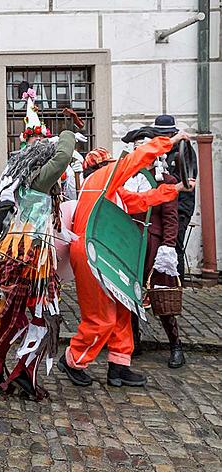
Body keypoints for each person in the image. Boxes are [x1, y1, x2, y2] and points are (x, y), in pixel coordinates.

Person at [59, 133, 193, 388]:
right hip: (92, 252)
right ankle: (72, 359)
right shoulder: (104, 177)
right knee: (102, 317)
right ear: (104, 166)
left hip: (101, 250)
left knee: (122, 310)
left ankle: (119, 366)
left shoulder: (106, 188)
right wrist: (171, 141)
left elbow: (139, 202)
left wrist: (174, 189)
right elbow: (135, 160)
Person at [0, 89, 78, 400]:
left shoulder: (16, 176)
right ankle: (21, 374)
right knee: (38, 318)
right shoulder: (39, 178)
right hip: (31, 258)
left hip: (13, 253)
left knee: (9, 315)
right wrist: (68, 130)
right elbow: (63, 156)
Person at [122, 130, 185, 369]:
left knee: (161, 294)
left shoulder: (165, 181)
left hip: (154, 245)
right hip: (130, 242)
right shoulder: (128, 179)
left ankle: (175, 345)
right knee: (129, 292)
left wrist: (167, 248)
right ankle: (134, 341)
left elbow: (171, 219)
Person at [149, 115, 197, 277]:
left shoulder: (184, 150)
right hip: (164, 205)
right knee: (162, 245)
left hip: (180, 206)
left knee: (174, 246)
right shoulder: (161, 151)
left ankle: (176, 287)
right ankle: (160, 286)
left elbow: (186, 180)